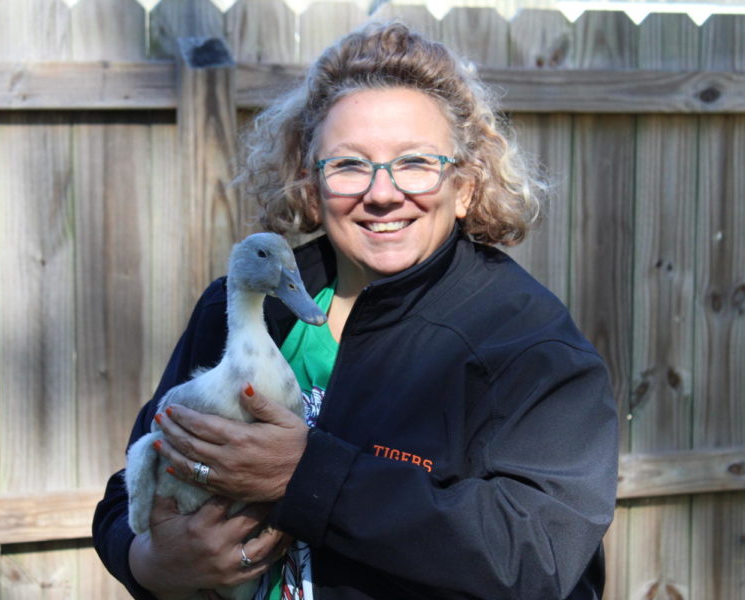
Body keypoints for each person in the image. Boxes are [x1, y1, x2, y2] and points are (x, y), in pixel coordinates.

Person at [93, 21, 618, 600]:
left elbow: (541, 559)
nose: (383, 192)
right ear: (311, 186)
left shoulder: (528, 346)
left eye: (415, 162)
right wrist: (148, 562)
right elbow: (132, 483)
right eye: (348, 165)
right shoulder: (242, 309)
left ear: (465, 187)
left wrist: (308, 477)